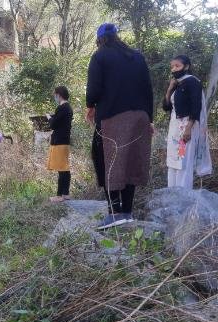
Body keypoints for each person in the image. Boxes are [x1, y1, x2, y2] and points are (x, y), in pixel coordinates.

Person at [86, 23, 154, 230]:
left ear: (100, 39)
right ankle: (127, 212)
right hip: (140, 118)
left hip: (112, 118)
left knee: (106, 161)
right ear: (117, 36)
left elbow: (94, 91)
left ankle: (114, 213)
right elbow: (148, 90)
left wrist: (90, 106)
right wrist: (149, 119)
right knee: (130, 162)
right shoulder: (137, 57)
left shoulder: (100, 56)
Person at [162, 55, 212, 188]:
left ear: (187, 66)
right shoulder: (177, 84)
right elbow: (166, 107)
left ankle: (183, 196)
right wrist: (169, 89)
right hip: (174, 127)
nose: (174, 69)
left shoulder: (192, 82)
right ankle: (172, 193)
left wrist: (188, 129)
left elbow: (196, 107)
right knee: (173, 161)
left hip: (187, 126)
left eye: (177, 66)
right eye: (172, 66)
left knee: (183, 160)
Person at [46, 86, 74, 202]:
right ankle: (65, 193)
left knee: (61, 168)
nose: (55, 97)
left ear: (59, 95)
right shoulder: (67, 108)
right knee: (64, 167)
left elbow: (53, 124)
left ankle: (59, 195)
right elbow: (59, 120)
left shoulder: (62, 108)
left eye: (55, 95)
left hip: (59, 141)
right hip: (64, 141)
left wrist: (48, 117)